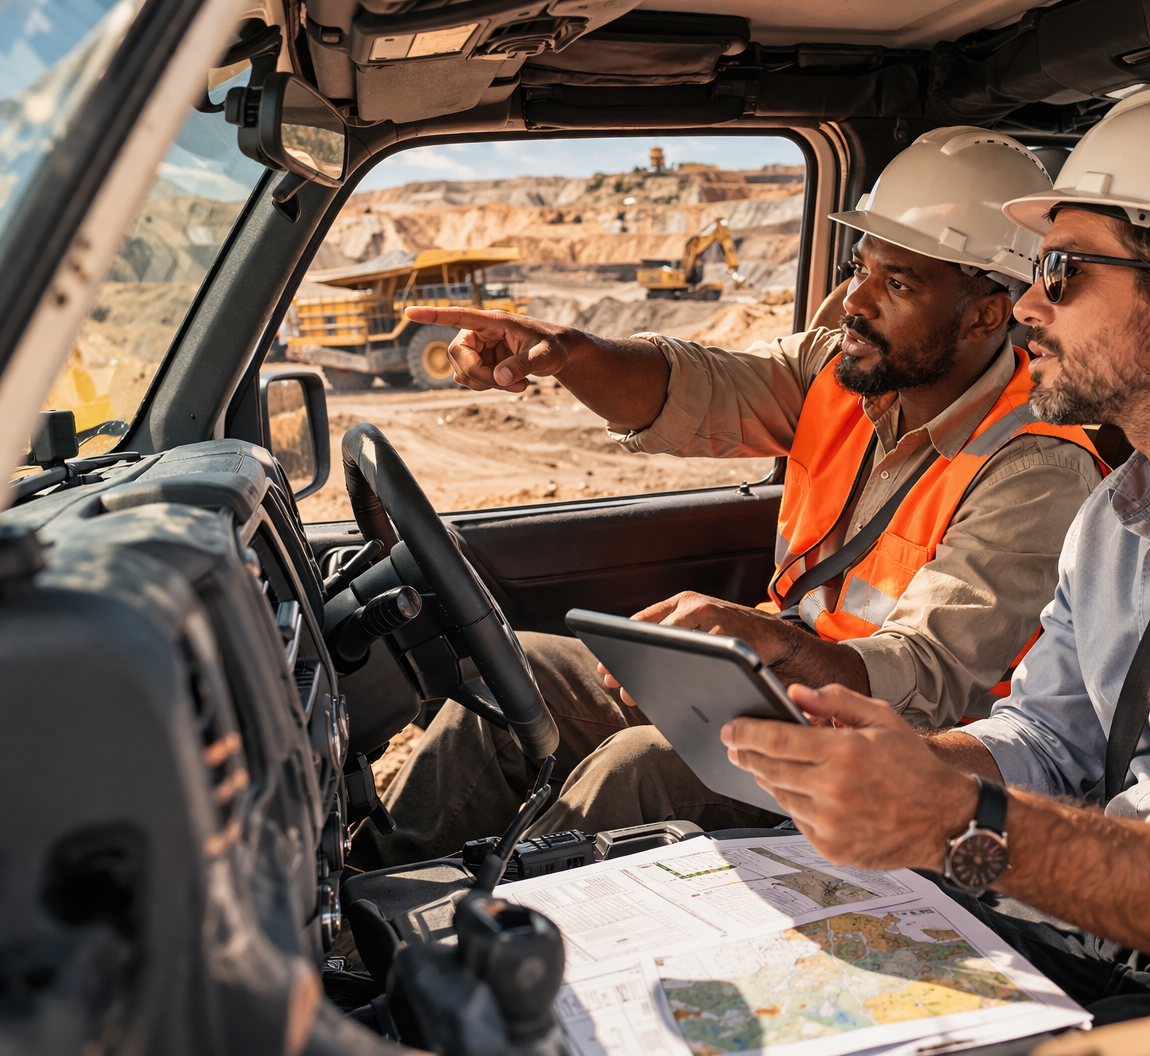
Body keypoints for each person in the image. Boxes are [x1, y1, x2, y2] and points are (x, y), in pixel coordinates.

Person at [719, 85, 1150, 1022]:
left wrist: (957, 822)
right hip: (1092, 940)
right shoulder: (1119, 513)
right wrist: (917, 762)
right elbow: (1051, 739)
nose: (1026, 304)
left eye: (1061, 270)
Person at [350, 127, 1106, 869]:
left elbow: (931, 676)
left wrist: (779, 646)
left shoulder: (1035, 465)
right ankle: (362, 915)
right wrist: (566, 355)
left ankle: (489, 942)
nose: (854, 300)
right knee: (512, 682)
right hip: (780, 687)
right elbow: (695, 387)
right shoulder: (839, 373)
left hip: (891, 750)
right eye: (859, 268)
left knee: (639, 767)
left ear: (984, 314)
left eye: (897, 283)